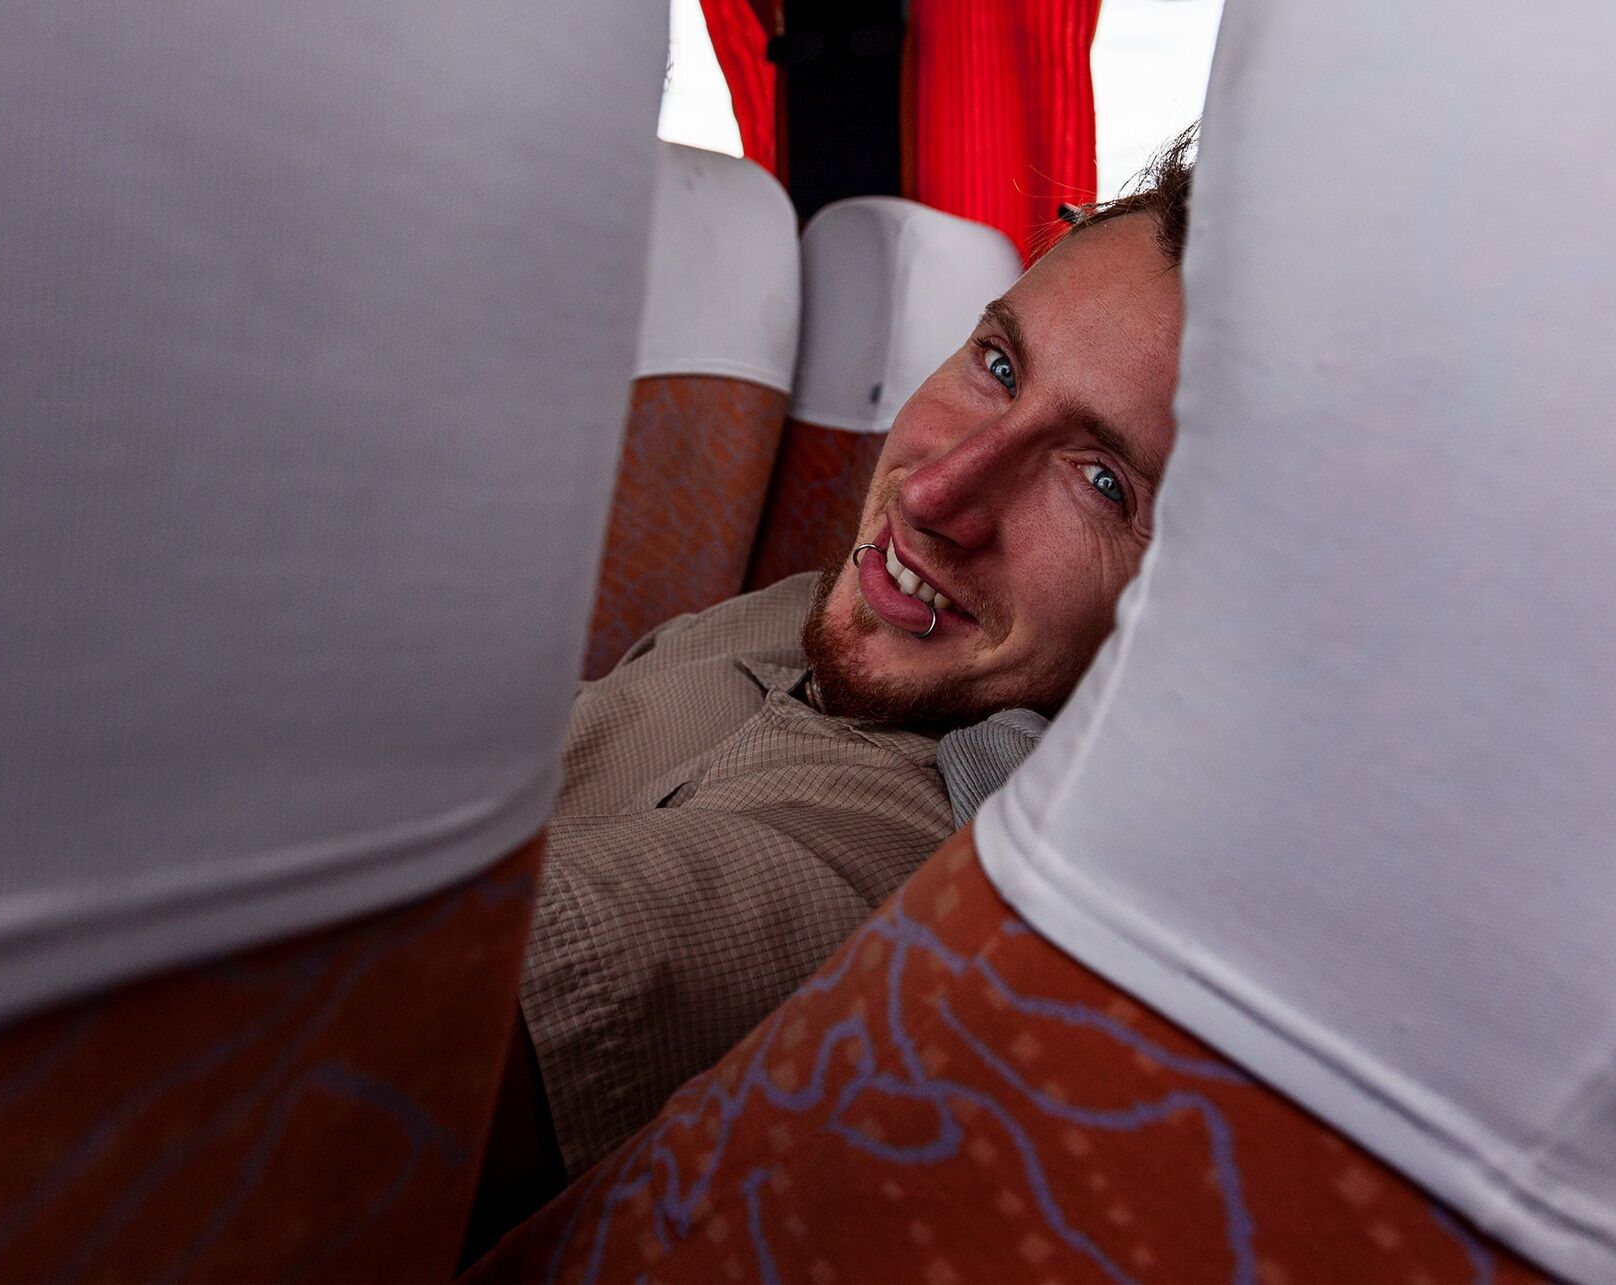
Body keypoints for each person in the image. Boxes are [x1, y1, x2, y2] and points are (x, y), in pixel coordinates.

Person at [466, 132, 1197, 1256]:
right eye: (998, 364)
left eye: (1102, 483)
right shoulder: (809, 612)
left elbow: (335, 1031)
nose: (937, 493)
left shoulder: (897, 884)